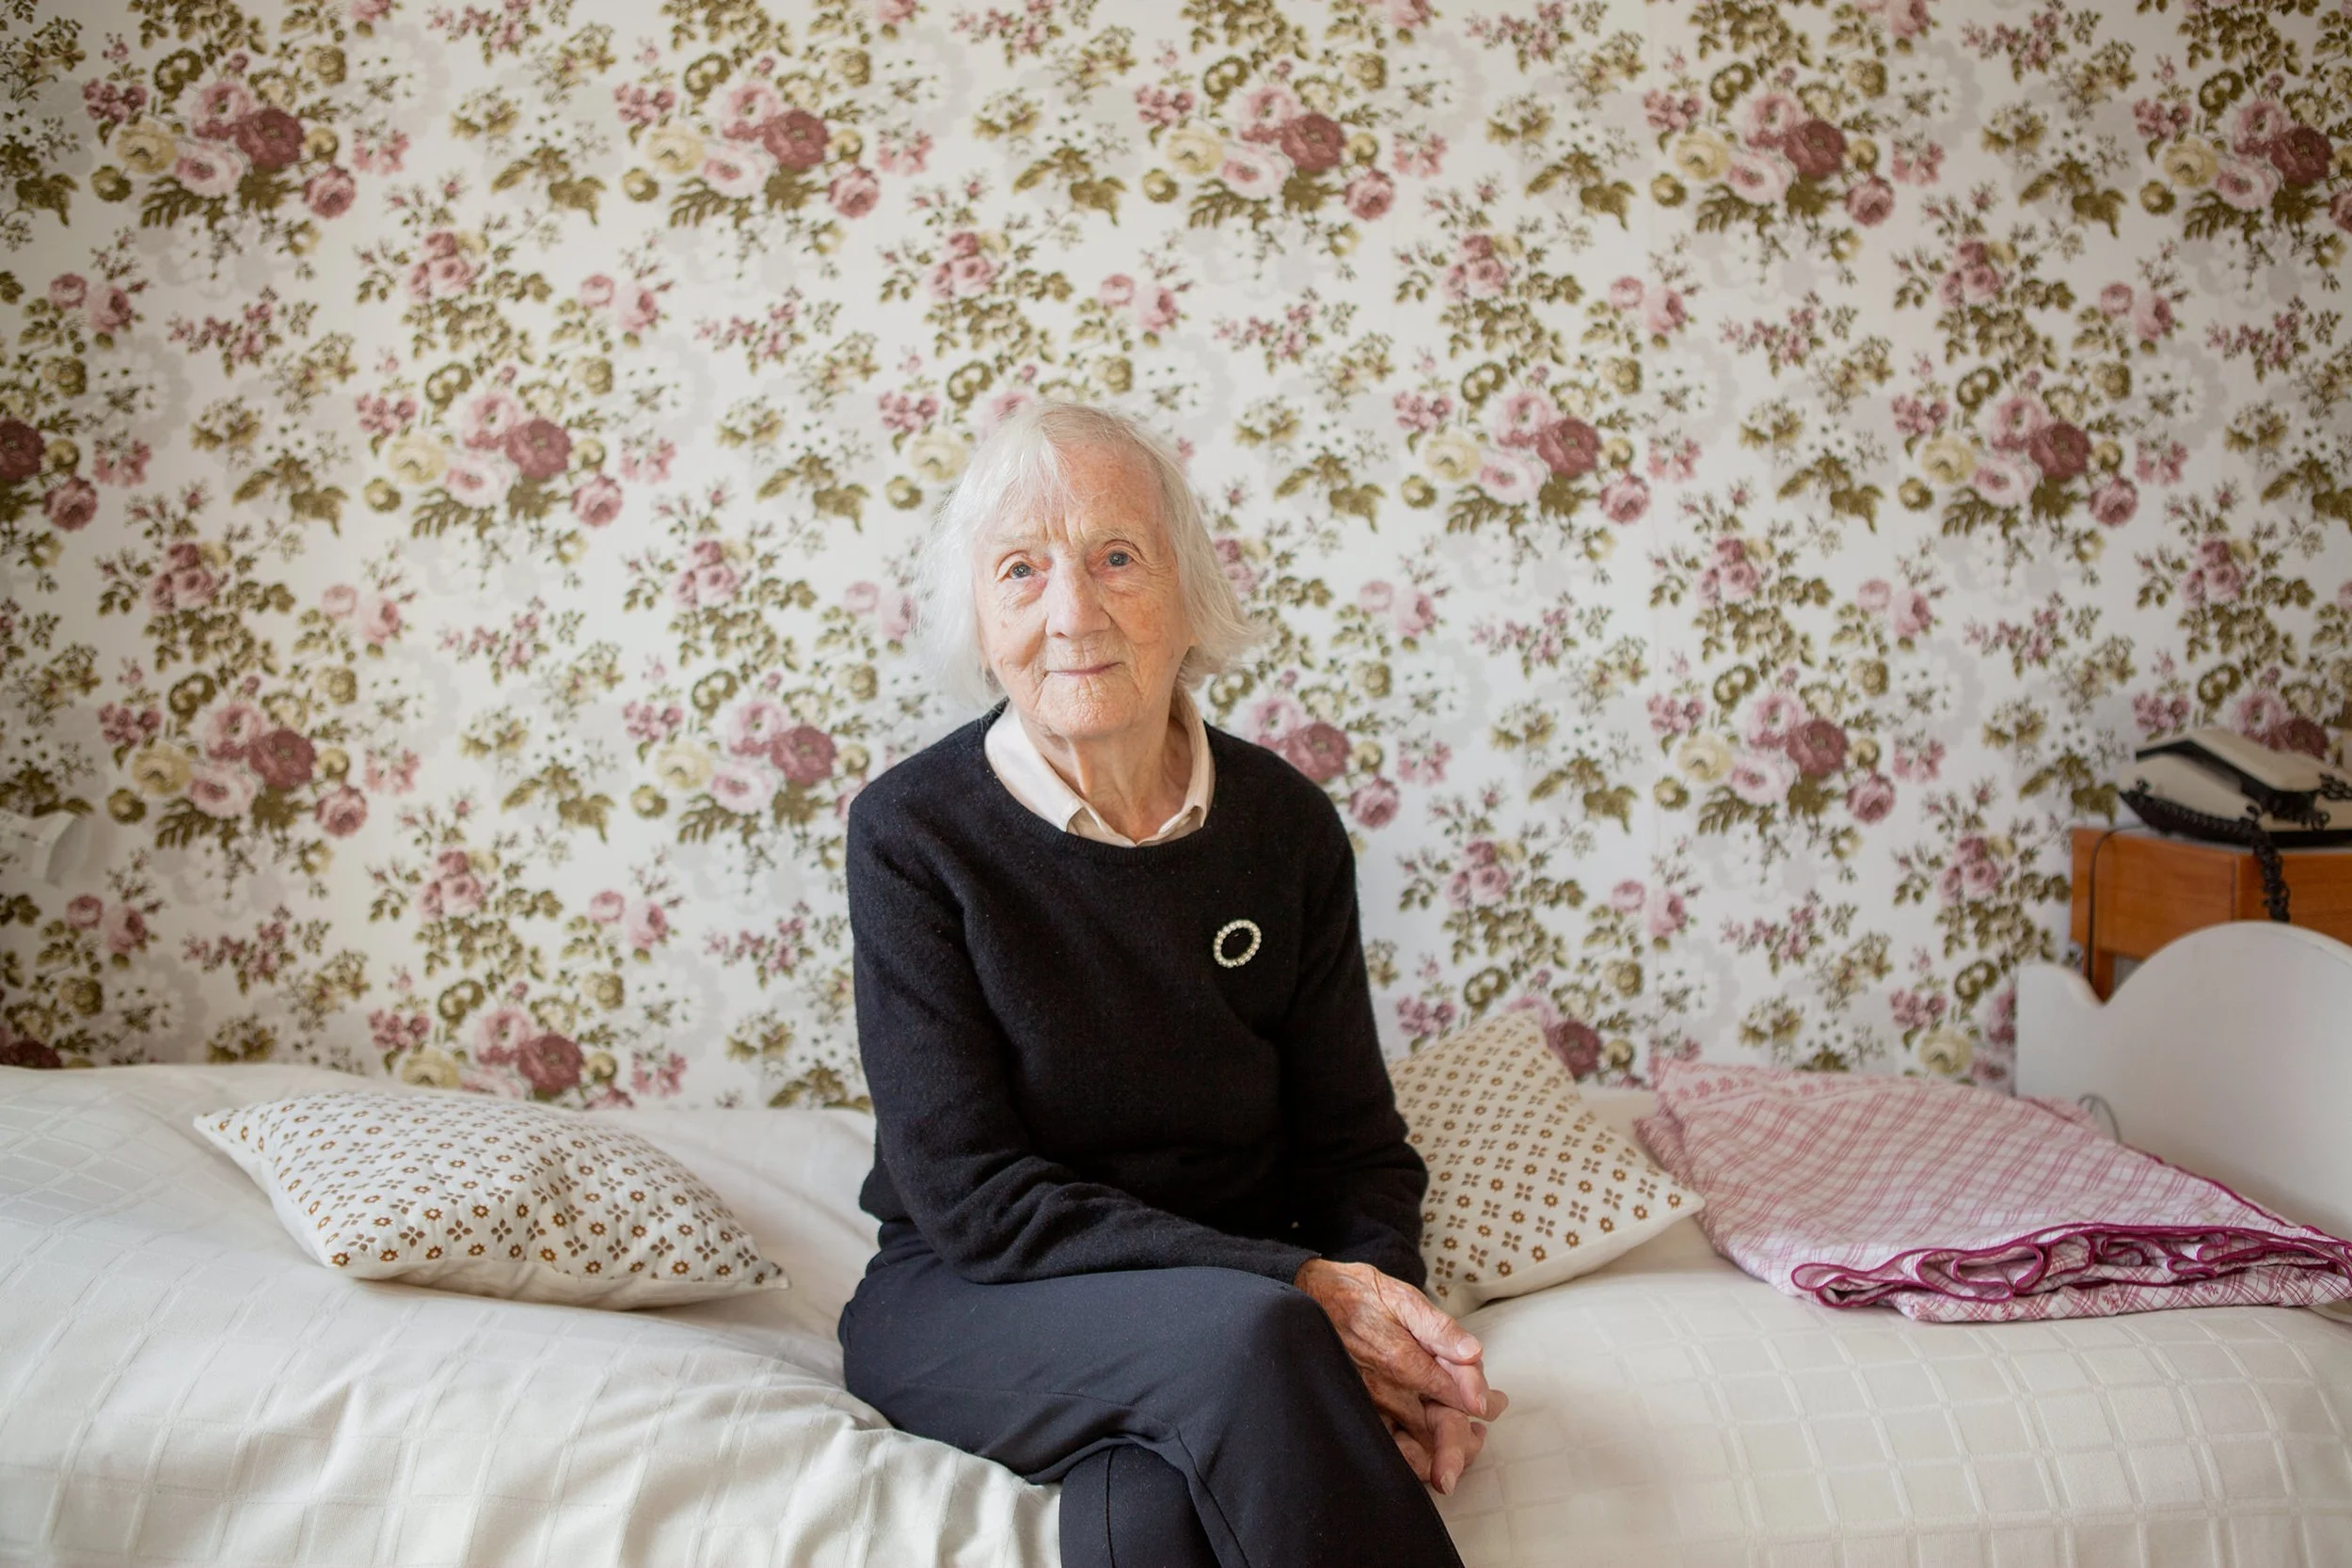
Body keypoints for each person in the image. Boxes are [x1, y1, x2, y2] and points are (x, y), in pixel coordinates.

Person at [837, 401, 1506, 1568]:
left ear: (1188, 591)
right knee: (1251, 1342)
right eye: (1021, 569)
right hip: (971, 1293)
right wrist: (1304, 1290)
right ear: (982, 618)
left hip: (1217, 1316)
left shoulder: (1284, 825)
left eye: (1115, 557)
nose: (1072, 613)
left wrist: (1388, 1325)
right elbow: (974, 1194)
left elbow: (1354, 1146)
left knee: (1156, 1496)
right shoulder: (913, 833)